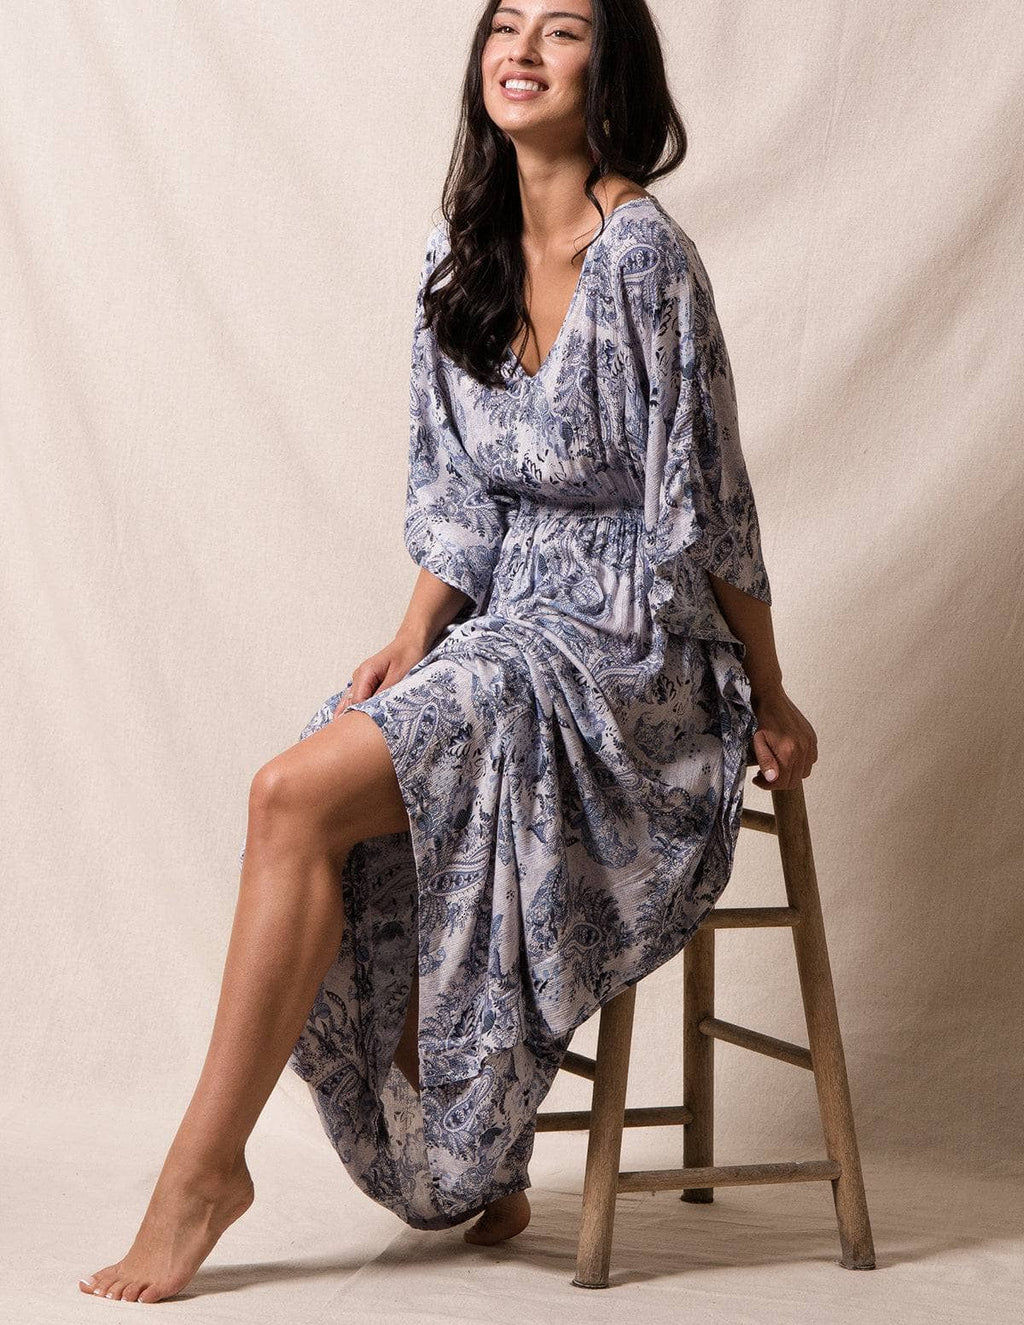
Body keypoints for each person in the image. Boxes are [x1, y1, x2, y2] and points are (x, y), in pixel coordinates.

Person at [78, 0, 817, 1305]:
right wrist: (414, 634)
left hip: (633, 653)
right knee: (330, 762)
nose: (521, 51)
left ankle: (201, 1172)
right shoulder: (457, 255)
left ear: (612, 69)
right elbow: (459, 497)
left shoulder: (645, 259)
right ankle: (472, 1150)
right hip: (506, 623)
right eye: (504, 26)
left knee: (287, 794)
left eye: (562, 29)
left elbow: (709, 502)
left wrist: (770, 690)